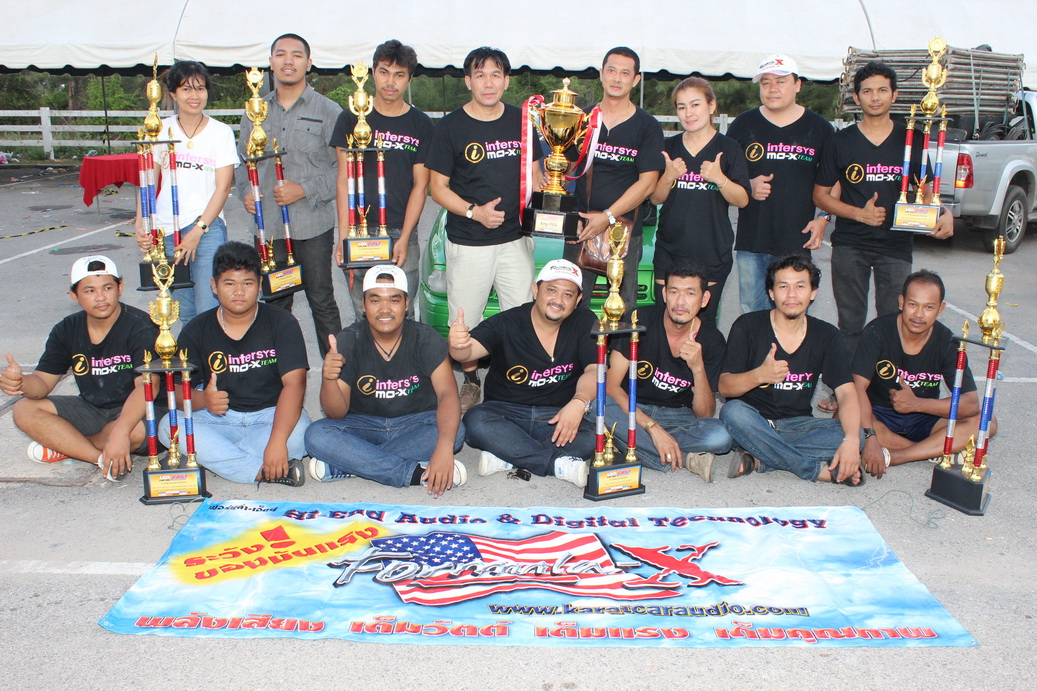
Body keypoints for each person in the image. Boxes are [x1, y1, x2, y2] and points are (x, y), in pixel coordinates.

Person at [813, 60, 954, 378]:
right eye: (867, 91)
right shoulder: (840, 141)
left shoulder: (912, 139)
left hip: (895, 245)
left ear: (894, 95)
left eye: (881, 90)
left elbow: (925, 190)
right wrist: (858, 214)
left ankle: (885, 390)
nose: (874, 97)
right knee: (850, 323)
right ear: (856, 97)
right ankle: (847, 391)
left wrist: (943, 213)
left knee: (893, 321)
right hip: (850, 244)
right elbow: (820, 196)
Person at [425, 46, 542, 412]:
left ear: (506, 81)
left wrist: (550, 192)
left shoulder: (523, 121)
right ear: (468, 81)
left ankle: (512, 381)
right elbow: (437, 188)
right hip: (469, 241)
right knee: (466, 321)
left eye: (495, 75)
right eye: (480, 75)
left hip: (515, 240)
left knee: (523, 316)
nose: (488, 83)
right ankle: (472, 381)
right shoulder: (450, 127)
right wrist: (474, 213)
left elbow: (537, 174)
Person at [304, 265, 466, 497]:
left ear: (406, 304)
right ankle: (414, 474)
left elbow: (448, 394)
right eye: (375, 300)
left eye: (394, 300)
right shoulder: (349, 340)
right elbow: (336, 414)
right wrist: (328, 379)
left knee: (456, 431)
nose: (385, 309)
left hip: (415, 424)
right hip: (364, 425)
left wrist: (443, 449)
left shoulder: (425, 338)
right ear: (363, 305)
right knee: (317, 435)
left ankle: (350, 463)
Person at [159, 241, 310, 486]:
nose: (239, 292)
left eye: (247, 283)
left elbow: (295, 383)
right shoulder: (197, 329)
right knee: (169, 427)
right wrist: (203, 400)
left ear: (259, 284)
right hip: (218, 419)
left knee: (302, 431)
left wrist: (276, 441)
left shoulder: (282, 322)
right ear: (214, 286)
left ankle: (221, 458)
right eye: (229, 284)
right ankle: (260, 470)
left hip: (270, 417)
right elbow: (174, 390)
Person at [1, 256, 157, 481]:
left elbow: (148, 387)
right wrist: (21, 382)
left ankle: (67, 446)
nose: (100, 297)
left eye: (107, 288)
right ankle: (99, 458)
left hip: (137, 410)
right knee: (23, 409)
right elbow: (42, 382)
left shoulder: (140, 326)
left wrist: (121, 431)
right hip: (93, 409)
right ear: (74, 296)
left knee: (137, 431)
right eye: (89, 291)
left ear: (120, 288)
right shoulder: (66, 329)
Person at [235, 33, 342, 359]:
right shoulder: (254, 111)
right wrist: (245, 192)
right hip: (268, 228)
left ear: (309, 63)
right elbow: (242, 164)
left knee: (321, 301)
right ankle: (280, 374)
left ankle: (338, 374)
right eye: (281, 54)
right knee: (274, 304)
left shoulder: (328, 111)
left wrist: (304, 190)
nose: (288, 61)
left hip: (312, 225)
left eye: (296, 55)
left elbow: (343, 169)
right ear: (271, 62)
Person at [449, 259, 597, 487]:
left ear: (577, 300)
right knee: (475, 422)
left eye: (568, 294)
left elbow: (595, 370)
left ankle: (507, 455)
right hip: (506, 413)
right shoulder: (507, 322)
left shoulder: (584, 321)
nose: (558, 300)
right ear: (536, 290)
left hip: (558, 414)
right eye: (551, 290)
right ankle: (555, 464)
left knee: (596, 436)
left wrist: (579, 403)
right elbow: (469, 352)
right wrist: (458, 346)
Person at [718, 255, 864, 485]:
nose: (792, 295)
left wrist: (852, 442)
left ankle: (761, 458)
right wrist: (759, 375)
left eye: (800, 286)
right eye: (783, 286)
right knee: (732, 412)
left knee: (857, 435)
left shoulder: (827, 335)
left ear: (813, 293)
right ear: (771, 293)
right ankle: (814, 470)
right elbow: (724, 386)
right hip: (752, 422)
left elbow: (846, 392)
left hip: (797, 426)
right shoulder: (747, 326)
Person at [330, 39, 434, 321]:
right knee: (364, 313)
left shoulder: (421, 124)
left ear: (409, 79)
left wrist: (405, 237)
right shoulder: (350, 118)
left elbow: (421, 186)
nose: (390, 82)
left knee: (402, 313)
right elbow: (344, 179)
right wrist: (343, 235)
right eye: (384, 72)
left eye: (399, 75)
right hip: (359, 233)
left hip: (401, 233)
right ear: (373, 72)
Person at [853, 269, 992, 477]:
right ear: (901, 302)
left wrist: (916, 404)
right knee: (845, 417)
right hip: (879, 415)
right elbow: (857, 388)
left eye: (928, 307)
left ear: (940, 309)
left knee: (987, 421)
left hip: (925, 418)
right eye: (913, 304)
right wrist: (870, 437)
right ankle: (934, 451)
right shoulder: (877, 331)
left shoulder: (947, 342)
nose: (919, 314)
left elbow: (971, 404)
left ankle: (899, 456)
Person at [604, 263, 732, 481]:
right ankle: (686, 458)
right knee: (598, 406)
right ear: (664, 294)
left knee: (721, 436)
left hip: (677, 416)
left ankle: (629, 442)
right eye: (674, 292)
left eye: (690, 293)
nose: (680, 302)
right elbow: (611, 386)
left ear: (704, 299)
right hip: (632, 407)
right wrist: (653, 428)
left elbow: (704, 413)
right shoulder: (638, 319)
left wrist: (698, 367)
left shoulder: (712, 339)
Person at [727, 54, 834, 314]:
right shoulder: (743, 124)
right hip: (752, 241)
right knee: (753, 314)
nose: (772, 88)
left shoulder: (820, 128)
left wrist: (823, 218)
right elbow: (723, 174)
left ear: (797, 85)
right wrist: (747, 186)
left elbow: (834, 180)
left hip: (797, 241)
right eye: (765, 83)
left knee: (794, 315)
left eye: (781, 81)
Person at [562, 47, 664, 309]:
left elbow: (647, 184)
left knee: (622, 309)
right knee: (571, 307)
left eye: (625, 73)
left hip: (624, 231)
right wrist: (554, 176)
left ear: (636, 79)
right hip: (581, 228)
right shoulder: (582, 119)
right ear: (601, 74)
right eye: (612, 71)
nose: (617, 78)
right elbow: (566, 168)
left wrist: (607, 217)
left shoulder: (647, 126)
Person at [135, 60, 237, 322]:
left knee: (208, 308)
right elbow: (147, 181)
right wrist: (142, 222)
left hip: (207, 229)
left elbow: (223, 187)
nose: (195, 96)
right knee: (184, 312)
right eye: (186, 89)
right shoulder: (158, 130)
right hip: (167, 231)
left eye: (200, 88)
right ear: (173, 94)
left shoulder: (221, 133)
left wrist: (198, 230)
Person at [650, 77, 749, 324]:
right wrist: (668, 176)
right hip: (670, 249)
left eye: (695, 105)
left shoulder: (728, 148)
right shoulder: (668, 147)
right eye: (681, 107)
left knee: (704, 325)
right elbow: (655, 198)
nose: (688, 113)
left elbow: (742, 200)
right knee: (666, 320)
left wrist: (719, 178)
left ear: (711, 106)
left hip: (711, 252)